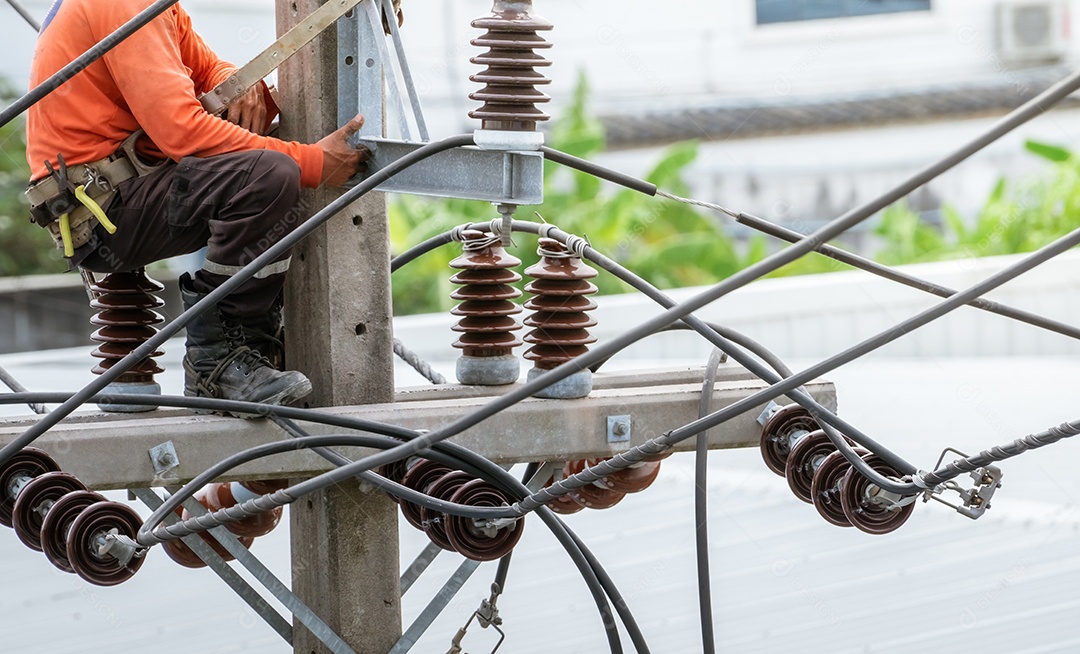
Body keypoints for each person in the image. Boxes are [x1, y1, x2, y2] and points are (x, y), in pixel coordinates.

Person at [25, 0, 384, 413]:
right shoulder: (124, 2)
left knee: (267, 142)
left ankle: (248, 347)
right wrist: (317, 163)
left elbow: (204, 67)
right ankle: (217, 361)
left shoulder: (157, 6)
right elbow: (182, 133)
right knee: (268, 174)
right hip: (104, 213)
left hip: (120, 194)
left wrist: (237, 84)